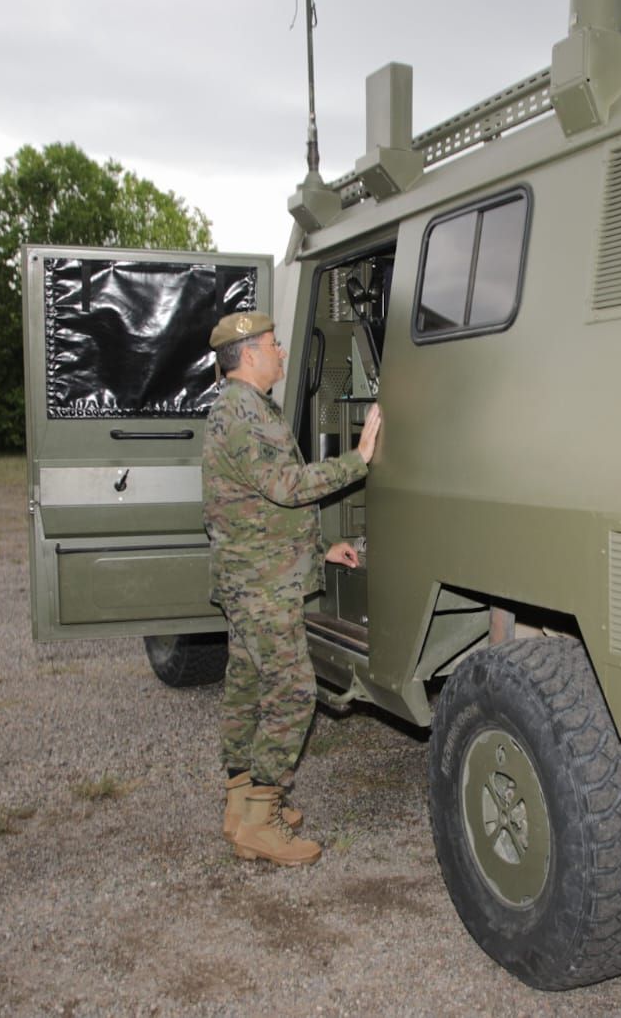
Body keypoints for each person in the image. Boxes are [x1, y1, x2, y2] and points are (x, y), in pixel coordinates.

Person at [202, 312, 382, 867]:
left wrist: (319, 547)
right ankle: (261, 821)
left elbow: (255, 504)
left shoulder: (244, 406)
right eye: (273, 344)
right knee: (294, 690)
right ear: (249, 354)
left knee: (247, 685)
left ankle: (241, 803)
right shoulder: (243, 413)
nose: (282, 351)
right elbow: (286, 486)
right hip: (261, 583)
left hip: (251, 572)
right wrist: (359, 458)